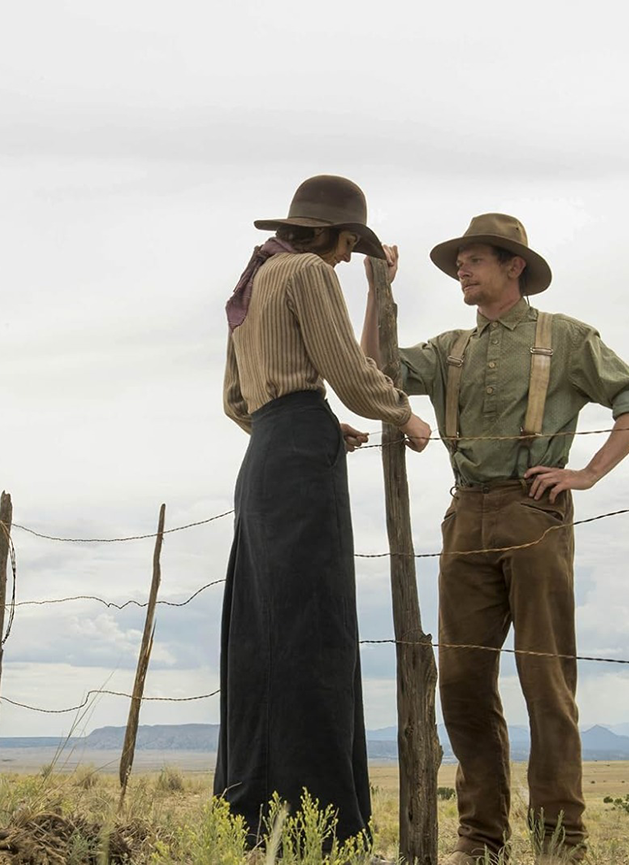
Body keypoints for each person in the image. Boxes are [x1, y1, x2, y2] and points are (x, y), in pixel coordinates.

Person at [360, 214, 629, 864]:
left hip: (535, 512)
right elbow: (373, 368)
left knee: (545, 678)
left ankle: (562, 841)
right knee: (463, 681)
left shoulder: (566, 338)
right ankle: (481, 837)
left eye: (473, 260)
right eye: (459, 264)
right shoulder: (450, 348)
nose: (462, 272)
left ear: (513, 266)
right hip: (464, 516)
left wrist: (585, 473)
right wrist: (378, 291)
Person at [217, 175, 433, 846]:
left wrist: (302, 423)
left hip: (264, 462)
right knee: (315, 635)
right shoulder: (309, 270)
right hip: (301, 460)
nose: (344, 259)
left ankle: (257, 822)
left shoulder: (254, 283)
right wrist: (404, 413)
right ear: (335, 235)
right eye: (348, 247)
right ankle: (323, 829)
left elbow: (235, 400)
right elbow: (347, 369)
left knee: (262, 638)